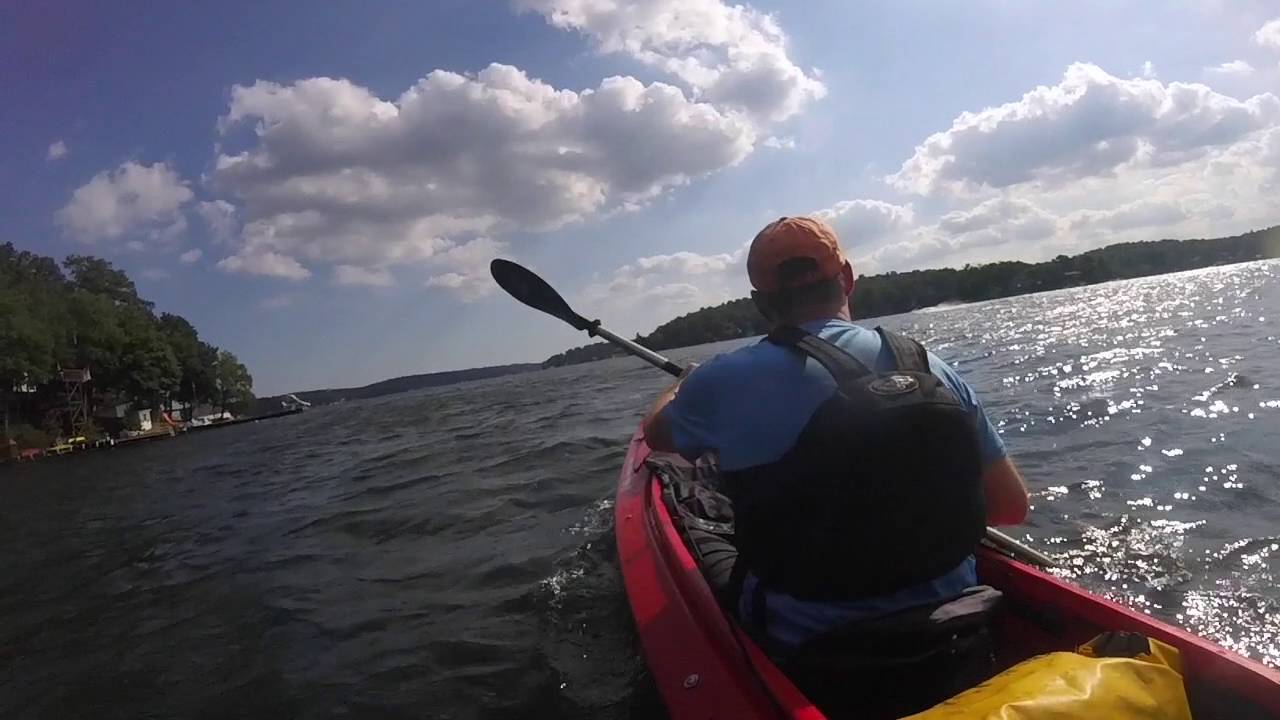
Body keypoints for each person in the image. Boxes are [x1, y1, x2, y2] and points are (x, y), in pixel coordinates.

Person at [641, 215, 1029, 716]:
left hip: (816, 650)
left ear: (761, 302)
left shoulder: (721, 381)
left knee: (702, 531)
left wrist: (680, 387)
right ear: (846, 278)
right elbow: (1009, 508)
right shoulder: (929, 365)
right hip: (959, 624)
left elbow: (658, 436)